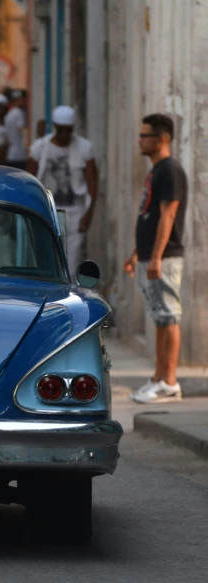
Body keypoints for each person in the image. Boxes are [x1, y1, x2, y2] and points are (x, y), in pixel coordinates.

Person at [125, 114, 187, 404]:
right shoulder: (157, 171)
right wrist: (138, 254)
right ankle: (158, 377)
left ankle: (170, 382)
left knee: (169, 317)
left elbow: (168, 215)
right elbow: (148, 215)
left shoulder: (170, 171)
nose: (140, 140)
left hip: (165, 258)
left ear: (162, 138)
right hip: (152, 256)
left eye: (145, 135)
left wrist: (157, 257)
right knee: (160, 319)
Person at [27, 105, 98, 277]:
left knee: (72, 261)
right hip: (47, 211)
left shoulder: (84, 147)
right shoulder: (40, 148)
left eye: (68, 131)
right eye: (61, 131)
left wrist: (89, 213)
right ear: (55, 127)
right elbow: (28, 180)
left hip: (75, 212)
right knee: (47, 257)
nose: (65, 135)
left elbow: (92, 181)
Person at [4, 89, 28, 170]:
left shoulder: (9, 114)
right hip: (20, 155)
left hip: (11, 154)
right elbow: (22, 132)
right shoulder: (19, 113)